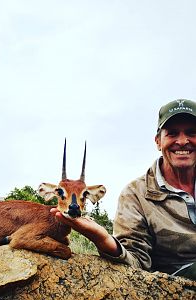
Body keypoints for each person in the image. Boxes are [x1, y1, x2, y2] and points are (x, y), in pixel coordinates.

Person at [51, 99, 196, 280]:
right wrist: (106, 242)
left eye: (192, 133)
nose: (182, 141)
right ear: (158, 141)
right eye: (172, 133)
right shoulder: (135, 195)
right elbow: (137, 262)